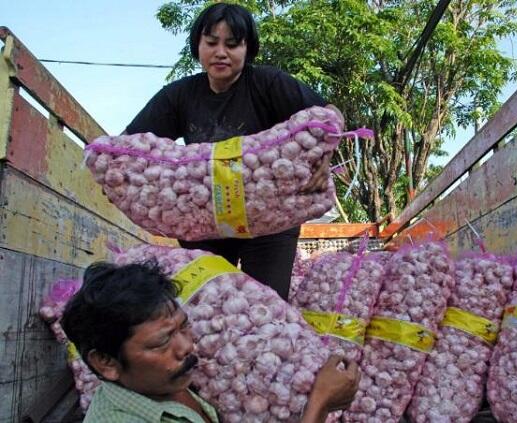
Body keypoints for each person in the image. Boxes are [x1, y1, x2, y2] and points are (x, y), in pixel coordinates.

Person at [124, 3, 342, 300]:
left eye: (232, 44)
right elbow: (126, 145)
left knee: (269, 302)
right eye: (211, 42)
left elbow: (330, 116)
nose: (221, 52)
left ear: (247, 48)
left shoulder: (268, 83)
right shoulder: (178, 96)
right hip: (206, 221)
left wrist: (322, 157)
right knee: (209, 302)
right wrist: (112, 173)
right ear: (197, 46)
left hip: (271, 220)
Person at [61, 261, 360, 422]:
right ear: (106, 362)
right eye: (162, 341)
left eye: (184, 326)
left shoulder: (163, 384)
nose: (187, 346)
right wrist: (320, 404)